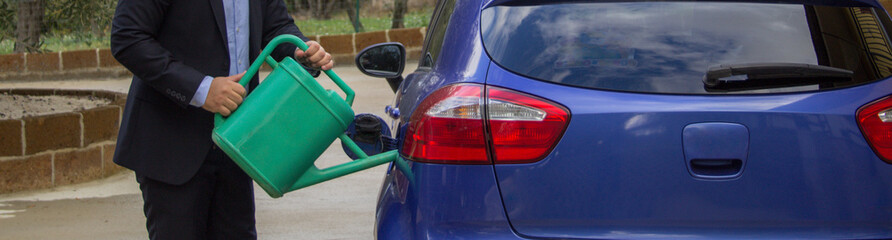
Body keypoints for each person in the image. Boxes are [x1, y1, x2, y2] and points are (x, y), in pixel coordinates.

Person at [110, 0, 333, 239]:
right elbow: (128, 38)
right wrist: (201, 89)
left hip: (238, 143)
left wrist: (300, 51)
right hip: (172, 145)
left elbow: (276, 27)